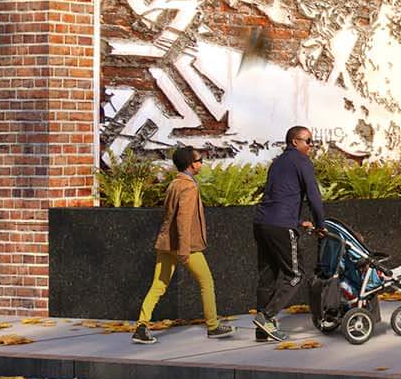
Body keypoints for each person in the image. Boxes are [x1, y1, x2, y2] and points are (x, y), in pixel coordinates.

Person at [132, 147, 234, 344]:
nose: (201, 163)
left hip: (166, 244)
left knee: (158, 285)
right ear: (191, 163)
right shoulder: (188, 186)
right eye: (199, 159)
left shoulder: (174, 183)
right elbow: (183, 219)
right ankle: (213, 326)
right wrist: (184, 249)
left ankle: (141, 327)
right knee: (206, 282)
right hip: (185, 245)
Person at [251, 125, 323, 342]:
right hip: (281, 226)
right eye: (308, 141)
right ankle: (266, 316)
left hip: (262, 223)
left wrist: (300, 220)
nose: (311, 145)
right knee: (295, 274)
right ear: (295, 142)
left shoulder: (277, 163)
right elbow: (314, 196)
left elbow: (279, 195)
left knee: (268, 276)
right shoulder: (302, 161)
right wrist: (321, 224)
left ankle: (262, 330)